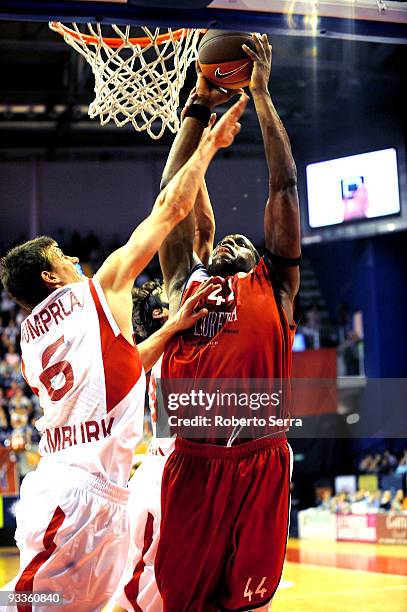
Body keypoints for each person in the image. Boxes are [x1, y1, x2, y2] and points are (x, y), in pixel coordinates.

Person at [0, 93, 247, 612]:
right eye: (62, 257)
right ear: (51, 276)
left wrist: (173, 326)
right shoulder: (100, 288)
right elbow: (171, 210)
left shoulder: (29, 338)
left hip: (93, 491)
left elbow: (119, 375)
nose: (74, 259)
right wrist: (209, 144)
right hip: (77, 491)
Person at [154, 33, 301, 612]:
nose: (236, 237)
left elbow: (284, 187)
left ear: (264, 258)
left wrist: (261, 96)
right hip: (194, 463)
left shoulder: (279, 289)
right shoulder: (181, 285)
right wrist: (199, 104)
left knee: (248, 605)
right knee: (183, 603)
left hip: (261, 458)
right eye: (223, 238)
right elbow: (172, 197)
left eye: (248, 238)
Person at [115, 147, 217, 611]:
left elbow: (206, 231)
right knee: (144, 594)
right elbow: (190, 222)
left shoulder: (197, 312)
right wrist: (197, 143)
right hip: (170, 470)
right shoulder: (168, 334)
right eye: (164, 304)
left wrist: (203, 151)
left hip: (202, 467)